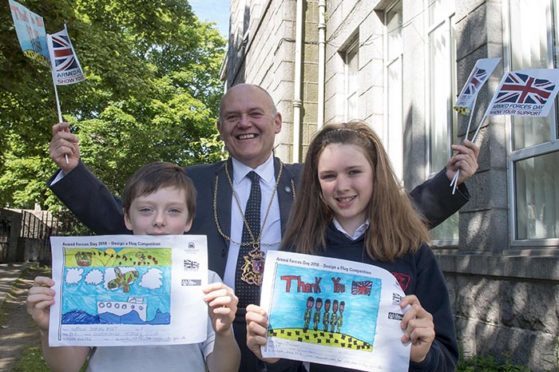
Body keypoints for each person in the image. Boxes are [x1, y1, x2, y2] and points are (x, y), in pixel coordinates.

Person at [47, 83, 478, 371]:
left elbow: (382, 215)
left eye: (255, 113)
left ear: (277, 123)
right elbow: (131, 223)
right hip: (211, 335)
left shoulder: (312, 181)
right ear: (220, 128)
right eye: (232, 116)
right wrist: (74, 173)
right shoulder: (192, 182)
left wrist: (449, 182)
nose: (244, 123)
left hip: (289, 342)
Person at [246, 121, 458, 371]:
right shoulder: (298, 252)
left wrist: (424, 356)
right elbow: (289, 360)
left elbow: (446, 362)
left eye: (354, 172)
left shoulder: (412, 250)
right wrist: (272, 356)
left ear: (375, 174)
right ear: (317, 183)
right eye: (329, 176)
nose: (342, 186)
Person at [27, 162, 240, 372]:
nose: (159, 220)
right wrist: (48, 330)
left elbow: (225, 369)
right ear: (128, 218)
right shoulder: (99, 276)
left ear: (189, 221)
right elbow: (67, 365)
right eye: (146, 210)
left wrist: (224, 333)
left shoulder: (208, 283)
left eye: (174, 211)